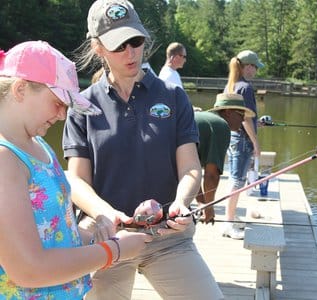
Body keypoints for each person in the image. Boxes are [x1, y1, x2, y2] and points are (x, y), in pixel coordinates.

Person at [63, 1, 223, 299]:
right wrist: (105, 214)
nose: (131, 52)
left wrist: (181, 202)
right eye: (118, 45)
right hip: (109, 238)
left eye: (135, 41)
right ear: (98, 48)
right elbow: (76, 181)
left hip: (168, 237)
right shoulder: (82, 107)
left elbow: (190, 167)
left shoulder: (174, 96)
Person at [0, 40, 153, 299]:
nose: (62, 115)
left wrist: (95, 231)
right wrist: (114, 251)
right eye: (58, 102)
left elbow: (54, 232)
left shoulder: (39, 146)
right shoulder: (5, 159)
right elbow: (27, 269)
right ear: (21, 89)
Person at [194, 93, 255, 224]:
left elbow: (190, 171)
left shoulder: (205, 120)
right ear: (228, 112)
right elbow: (211, 175)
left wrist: (201, 203)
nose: (244, 118)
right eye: (240, 113)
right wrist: (208, 207)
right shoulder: (220, 126)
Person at [222, 50, 264, 239]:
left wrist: (257, 123)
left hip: (233, 137)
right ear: (247, 66)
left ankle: (230, 217)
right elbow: (245, 118)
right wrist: (256, 143)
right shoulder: (245, 87)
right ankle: (228, 225)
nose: (255, 71)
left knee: (234, 179)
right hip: (243, 141)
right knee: (237, 181)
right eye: (254, 67)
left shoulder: (232, 85)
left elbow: (236, 116)